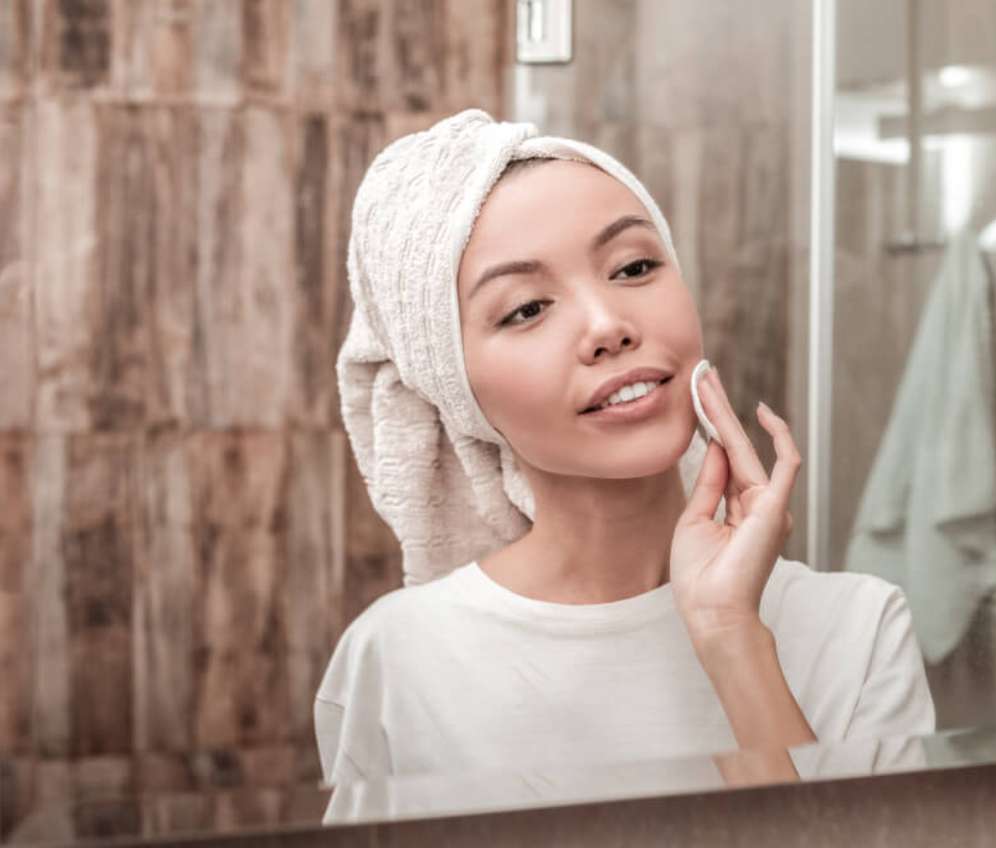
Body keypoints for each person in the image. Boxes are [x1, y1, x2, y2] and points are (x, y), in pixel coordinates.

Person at [314, 109, 935, 803]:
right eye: (526, 309)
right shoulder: (397, 660)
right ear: (454, 385)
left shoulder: (858, 630)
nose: (608, 326)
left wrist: (731, 636)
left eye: (634, 267)